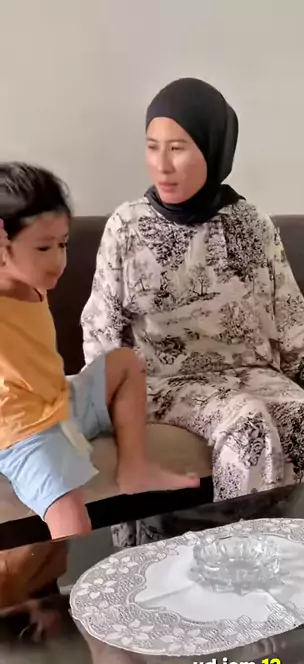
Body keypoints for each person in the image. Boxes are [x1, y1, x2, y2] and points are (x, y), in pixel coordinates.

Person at [81, 78, 304, 504]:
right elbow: (102, 328)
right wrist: (107, 401)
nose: (162, 165)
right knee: (248, 422)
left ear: (213, 149)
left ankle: (297, 541)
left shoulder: (251, 223)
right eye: (152, 147)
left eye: (177, 148)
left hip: (250, 371)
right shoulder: (127, 227)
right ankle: (236, 545)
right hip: (162, 381)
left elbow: (288, 311)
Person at [0, 164, 198, 540]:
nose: (58, 260)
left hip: (61, 400)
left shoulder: (33, 280)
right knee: (71, 518)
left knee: (125, 363)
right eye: (43, 247)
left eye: (62, 244)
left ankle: (134, 468)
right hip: (21, 431)